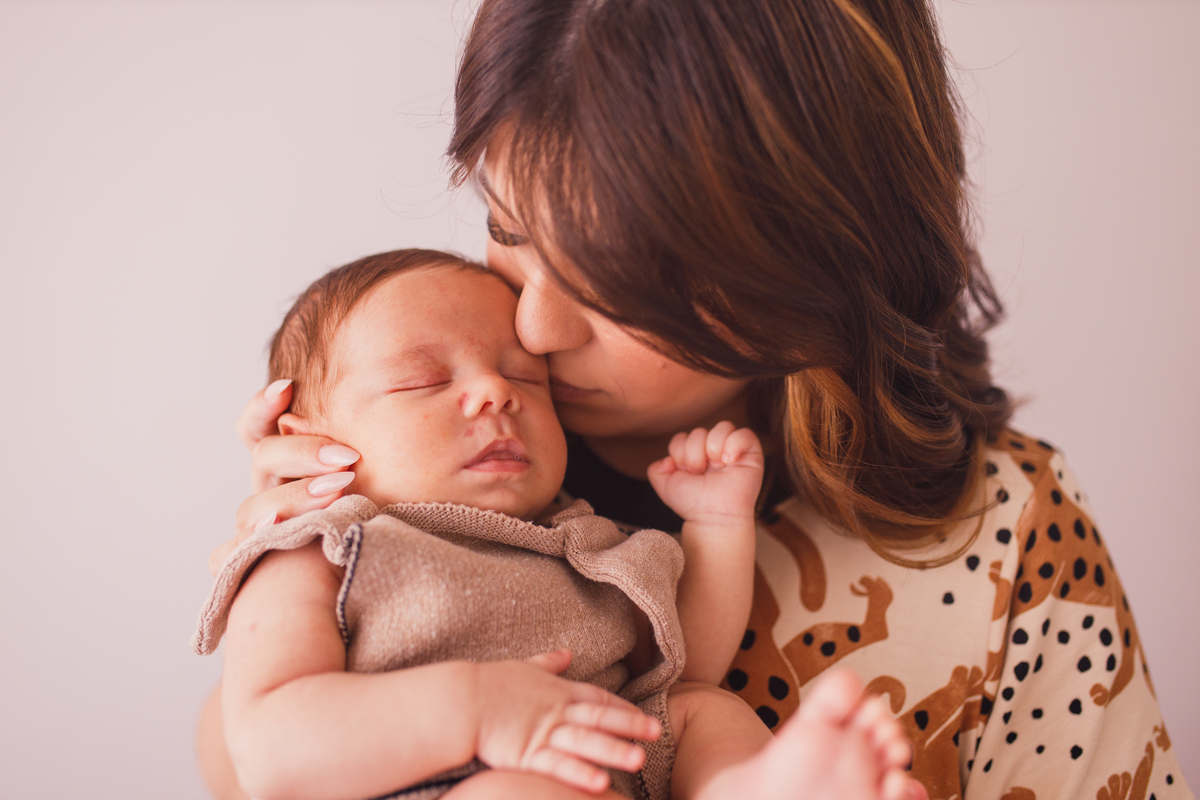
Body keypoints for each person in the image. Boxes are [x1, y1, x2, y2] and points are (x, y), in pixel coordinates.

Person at [200, 1, 1193, 799]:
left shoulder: (1009, 533)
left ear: (810, 271)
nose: (533, 332)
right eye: (506, 225)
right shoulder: (412, 467)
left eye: (615, 279)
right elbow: (249, 755)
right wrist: (319, 522)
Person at [195, 248, 919, 800]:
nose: (492, 394)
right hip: (444, 780)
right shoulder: (319, 546)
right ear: (305, 437)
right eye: (424, 382)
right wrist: (478, 711)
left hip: (613, 756)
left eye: (524, 377)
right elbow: (267, 745)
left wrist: (718, 525)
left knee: (700, 709)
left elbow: (680, 659)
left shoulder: (580, 539)